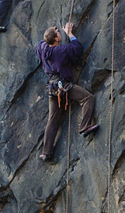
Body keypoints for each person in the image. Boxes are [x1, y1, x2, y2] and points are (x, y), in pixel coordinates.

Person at [35, 22, 99, 161]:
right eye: (58, 34)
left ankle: (46, 152)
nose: (60, 34)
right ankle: (85, 126)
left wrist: (51, 32)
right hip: (64, 87)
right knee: (88, 98)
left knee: (53, 120)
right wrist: (69, 34)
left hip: (52, 88)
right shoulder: (60, 52)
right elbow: (77, 48)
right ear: (57, 39)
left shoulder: (42, 48)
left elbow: (43, 41)